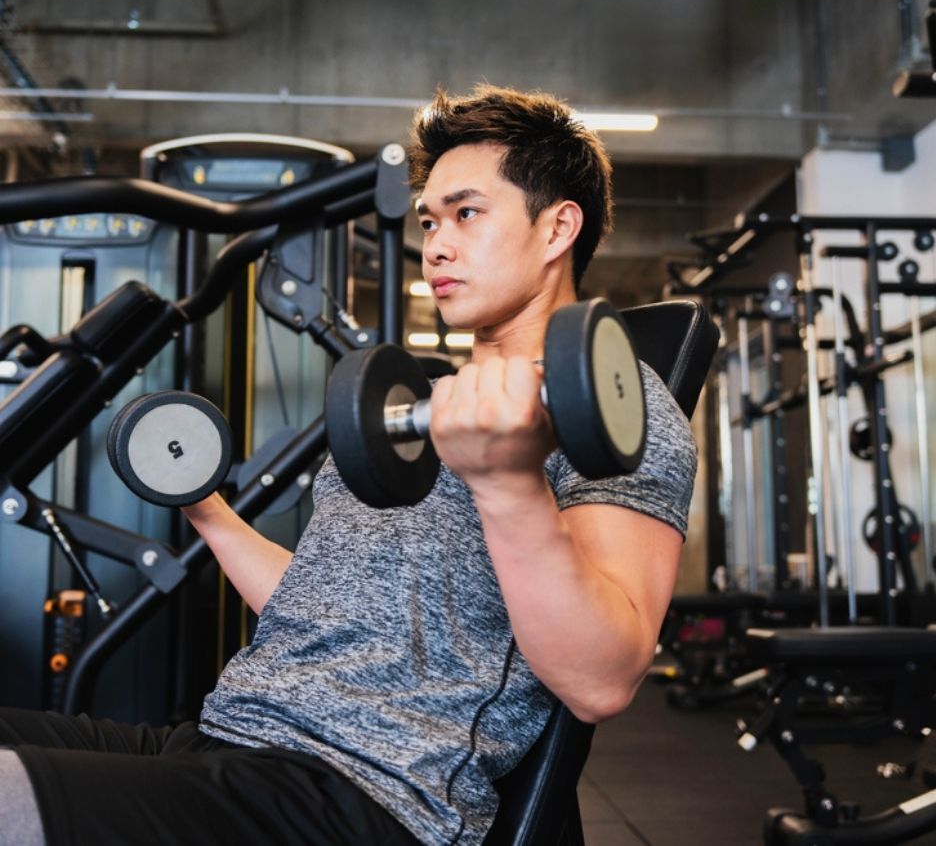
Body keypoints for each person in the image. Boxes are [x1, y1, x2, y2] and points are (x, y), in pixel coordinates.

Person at [0, 84, 696, 846]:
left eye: (467, 213)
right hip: (230, 740)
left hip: (362, 794)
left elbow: (604, 678)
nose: (434, 243)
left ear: (559, 225)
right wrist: (205, 507)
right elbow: (319, 606)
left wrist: (507, 482)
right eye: (429, 220)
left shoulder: (619, 406)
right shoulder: (419, 402)